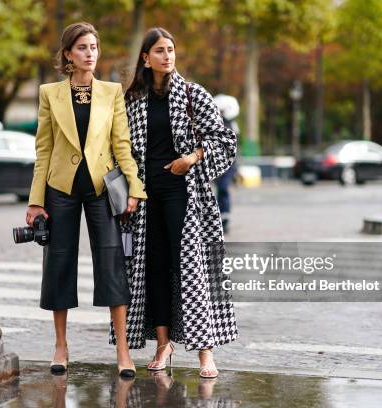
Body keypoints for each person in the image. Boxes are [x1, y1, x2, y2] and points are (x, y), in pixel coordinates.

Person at [25, 22, 147, 378]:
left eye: (94, 47)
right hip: (59, 188)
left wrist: (135, 188)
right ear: (68, 54)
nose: (90, 53)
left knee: (111, 263)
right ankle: (61, 346)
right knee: (58, 263)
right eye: (82, 47)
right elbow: (43, 149)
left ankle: (123, 351)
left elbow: (121, 145)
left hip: (100, 188)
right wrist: (35, 201)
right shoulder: (50, 93)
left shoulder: (112, 92)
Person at [116, 27, 238, 379]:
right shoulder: (133, 99)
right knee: (153, 268)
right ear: (145, 57)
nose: (167, 56)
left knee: (191, 268)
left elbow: (224, 141)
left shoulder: (192, 94)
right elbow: (120, 147)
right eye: (159, 50)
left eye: (170, 49)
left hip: (184, 194)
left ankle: (205, 354)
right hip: (144, 196)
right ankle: (163, 344)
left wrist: (193, 157)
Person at [213, 94, 240, 234]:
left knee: (223, 189)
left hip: (228, 164)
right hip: (216, 163)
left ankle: (224, 217)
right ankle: (218, 217)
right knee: (217, 190)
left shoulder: (232, 125)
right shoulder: (217, 123)